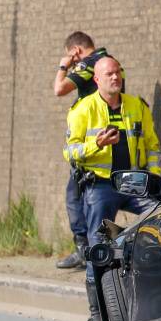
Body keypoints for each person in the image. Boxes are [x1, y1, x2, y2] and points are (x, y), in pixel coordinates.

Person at [65, 56, 160, 321]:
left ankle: (147, 297)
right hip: (101, 184)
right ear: (97, 79)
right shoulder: (84, 109)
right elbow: (69, 152)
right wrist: (96, 143)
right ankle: (97, 313)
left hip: (132, 182)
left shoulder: (136, 106)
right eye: (109, 74)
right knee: (97, 244)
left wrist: (154, 177)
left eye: (118, 72)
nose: (115, 77)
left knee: (158, 219)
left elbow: (153, 145)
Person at [53, 32, 112, 270]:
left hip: (90, 141)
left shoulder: (89, 64)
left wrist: (63, 66)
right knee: (93, 200)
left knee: (75, 198)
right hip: (106, 140)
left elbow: (59, 89)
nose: (72, 62)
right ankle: (93, 250)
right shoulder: (110, 62)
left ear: (76, 51)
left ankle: (84, 251)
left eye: (72, 57)